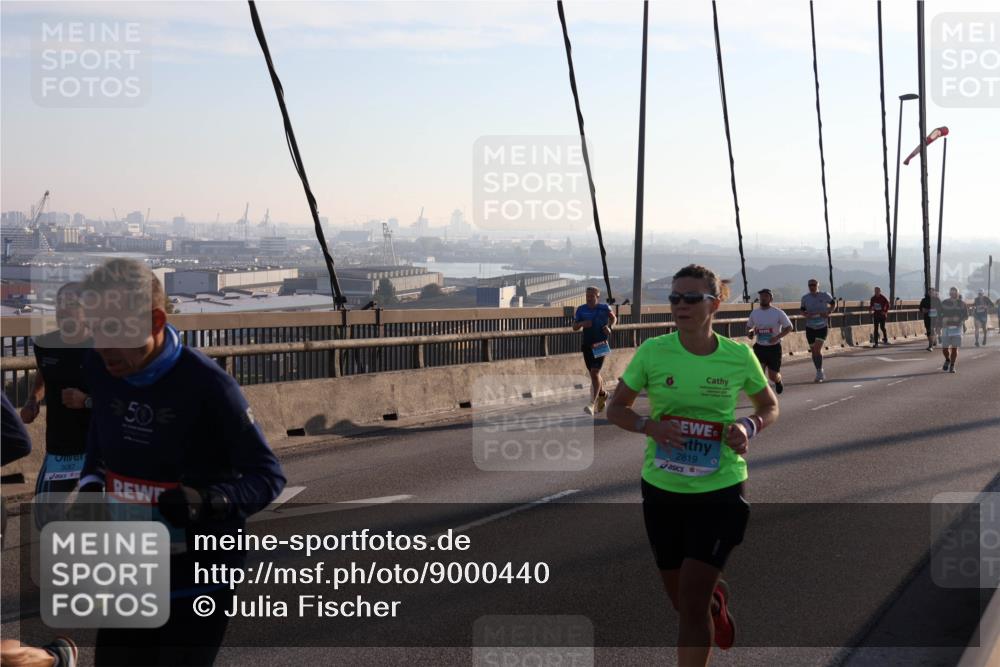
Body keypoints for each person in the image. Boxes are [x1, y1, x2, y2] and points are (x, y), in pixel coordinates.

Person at [75, 258, 286, 666]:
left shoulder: (208, 385)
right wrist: (90, 482)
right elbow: (103, 422)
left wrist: (206, 502)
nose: (101, 345)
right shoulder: (99, 365)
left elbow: (268, 476)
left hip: (198, 581)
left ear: (156, 321)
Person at [607, 264, 779, 665]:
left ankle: (705, 606)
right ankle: (715, 606)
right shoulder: (653, 352)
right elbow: (616, 409)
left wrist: (748, 426)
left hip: (720, 488)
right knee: (682, 602)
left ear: (714, 304)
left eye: (690, 298)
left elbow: (769, 406)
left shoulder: (738, 356)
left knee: (690, 600)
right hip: (662, 489)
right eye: (674, 298)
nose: (680, 305)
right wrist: (650, 427)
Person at [20, 283, 92, 501]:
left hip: (96, 451)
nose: (63, 310)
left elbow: (120, 398)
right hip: (58, 450)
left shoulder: (104, 348)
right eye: (59, 304)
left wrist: (86, 401)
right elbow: (44, 374)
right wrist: (33, 400)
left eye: (71, 304)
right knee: (44, 512)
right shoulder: (45, 344)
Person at [572, 286, 616, 415]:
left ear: (597, 296)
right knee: (593, 374)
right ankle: (603, 394)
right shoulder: (581, 309)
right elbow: (574, 327)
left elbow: (614, 318)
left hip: (601, 344)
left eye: (591, 296)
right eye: (587, 296)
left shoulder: (604, 308)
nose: (589, 298)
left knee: (595, 372)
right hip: (587, 345)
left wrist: (610, 327)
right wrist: (582, 324)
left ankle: (592, 403)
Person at [746, 288, 793, 394]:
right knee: (759, 374)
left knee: (773, 376)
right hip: (760, 347)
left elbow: (789, 327)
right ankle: (765, 395)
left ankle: (778, 380)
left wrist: (777, 337)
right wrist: (750, 333)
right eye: (761, 296)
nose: (763, 298)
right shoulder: (755, 313)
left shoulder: (778, 313)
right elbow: (748, 327)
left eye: (766, 296)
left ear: (771, 299)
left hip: (774, 348)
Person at [800, 279, 837, 383]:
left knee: (817, 349)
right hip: (810, 327)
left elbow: (833, 304)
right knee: (813, 351)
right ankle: (818, 370)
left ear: (818, 285)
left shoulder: (825, 295)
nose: (812, 287)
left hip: (822, 326)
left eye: (814, 285)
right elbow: (802, 310)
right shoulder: (805, 298)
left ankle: (820, 371)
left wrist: (828, 312)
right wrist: (806, 314)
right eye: (810, 285)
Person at [938, 286, 969, 373]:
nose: (953, 294)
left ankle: (952, 365)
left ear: (958, 294)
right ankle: (947, 359)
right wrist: (939, 326)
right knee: (945, 348)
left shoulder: (962, 304)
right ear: (949, 293)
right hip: (946, 328)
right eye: (952, 293)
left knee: (954, 348)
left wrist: (960, 320)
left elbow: (966, 316)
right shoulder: (944, 303)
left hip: (957, 328)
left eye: (955, 293)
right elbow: (939, 315)